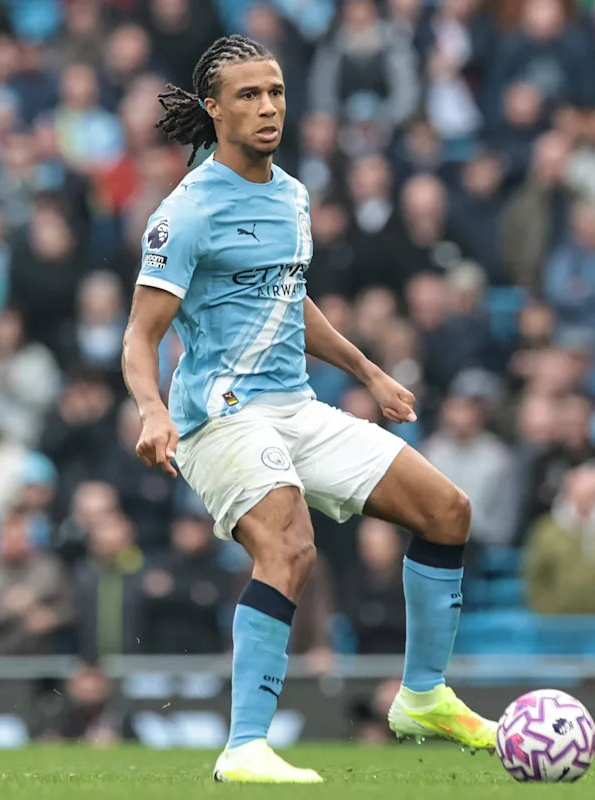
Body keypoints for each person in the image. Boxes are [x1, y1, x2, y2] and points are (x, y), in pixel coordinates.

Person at [122, 36, 493, 784]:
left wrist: (368, 371)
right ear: (214, 109)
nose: (268, 108)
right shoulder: (185, 212)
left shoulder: (292, 194)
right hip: (218, 415)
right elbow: (139, 335)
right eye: (249, 95)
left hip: (295, 405)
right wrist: (152, 411)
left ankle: (422, 697)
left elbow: (290, 299)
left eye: (277, 92)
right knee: (290, 547)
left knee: (447, 511)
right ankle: (244, 747)